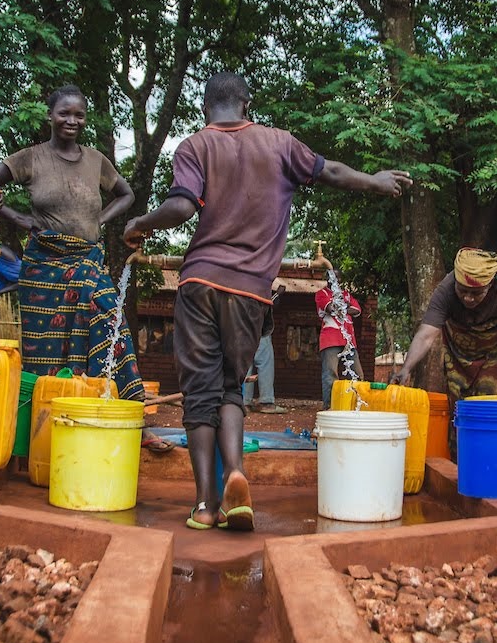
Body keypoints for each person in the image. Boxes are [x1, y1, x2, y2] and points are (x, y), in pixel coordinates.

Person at [123, 72, 412, 531]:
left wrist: (140, 221)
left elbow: (180, 207)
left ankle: (204, 504)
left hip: (199, 283)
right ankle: (237, 470)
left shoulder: (194, 146)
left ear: (205, 108)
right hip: (251, 291)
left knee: (200, 392)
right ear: (246, 104)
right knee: (232, 389)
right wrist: (375, 182)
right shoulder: (279, 143)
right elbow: (331, 171)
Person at [0, 84, 144, 397]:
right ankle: (42, 418)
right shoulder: (30, 158)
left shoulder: (96, 161)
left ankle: (122, 404)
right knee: (43, 348)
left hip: (87, 259)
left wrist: (98, 219)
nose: (71, 120)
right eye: (64, 113)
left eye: (79, 115)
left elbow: (126, 194)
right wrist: (16, 217)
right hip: (43, 268)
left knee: (108, 316)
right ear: (50, 115)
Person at [395, 248, 497, 413]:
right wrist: (406, 368)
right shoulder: (446, 289)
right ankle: (459, 439)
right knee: (458, 406)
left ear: (491, 284)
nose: (468, 298)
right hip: (458, 350)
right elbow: (426, 335)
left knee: (493, 403)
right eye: (462, 290)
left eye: (476, 293)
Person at [316, 277, 365, 407]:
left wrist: (341, 307)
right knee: (330, 374)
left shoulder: (346, 294)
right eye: (333, 277)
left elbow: (357, 310)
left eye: (338, 278)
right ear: (327, 279)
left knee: (357, 374)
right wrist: (345, 306)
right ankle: (329, 407)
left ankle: (355, 405)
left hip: (349, 341)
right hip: (330, 339)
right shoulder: (322, 293)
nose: (335, 280)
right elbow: (330, 308)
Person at [244, 285, 286, 414]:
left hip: (242, 331)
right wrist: (278, 293)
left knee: (245, 365)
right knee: (265, 364)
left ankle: (244, 402)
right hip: (259, 331)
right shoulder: (260, 285)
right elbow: (269, 304)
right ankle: (266, 402)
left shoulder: (241, 284)